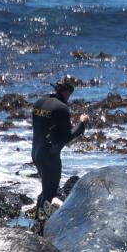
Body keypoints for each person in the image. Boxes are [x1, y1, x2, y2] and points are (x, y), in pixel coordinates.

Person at [31, 78, 89, 209]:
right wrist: (81, 124)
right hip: (50, 157)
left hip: (35, 153)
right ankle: (40, 226)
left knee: (45, 191)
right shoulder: (61, 108)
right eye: (70, 93)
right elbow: (66, 137)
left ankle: (36, 223)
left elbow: (44, 129)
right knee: (50, 195)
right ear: (67, 91)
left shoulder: (38, 103)